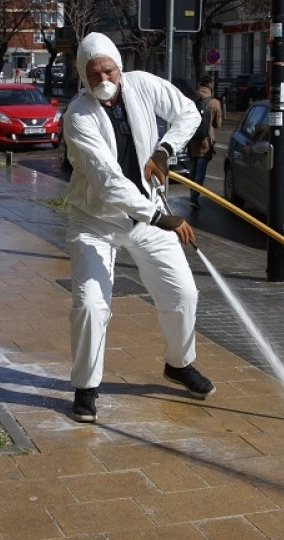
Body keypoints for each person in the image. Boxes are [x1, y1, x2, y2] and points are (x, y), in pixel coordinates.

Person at [61, 32, 216, 423]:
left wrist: (164, 151)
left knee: (183, 292)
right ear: (83, 76)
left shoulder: (143, 85)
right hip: (95, 220)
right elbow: (106, 180)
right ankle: (86, 387)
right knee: (90, 304)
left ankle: (179, 364)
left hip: (146, 214)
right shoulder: (78, 116)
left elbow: (189, 113)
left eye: (109, 70)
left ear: (119, 66)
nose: (104, 79)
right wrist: (161, 217)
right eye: (94, 74)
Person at [186, 76, 223, 209]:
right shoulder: (214, 103)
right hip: (206, 141)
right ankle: (194, 198)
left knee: (193, 169)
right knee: (200, 171)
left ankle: (192, 195)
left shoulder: (192, 100)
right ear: (210, 86)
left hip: (192, 140)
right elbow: (218, 124)